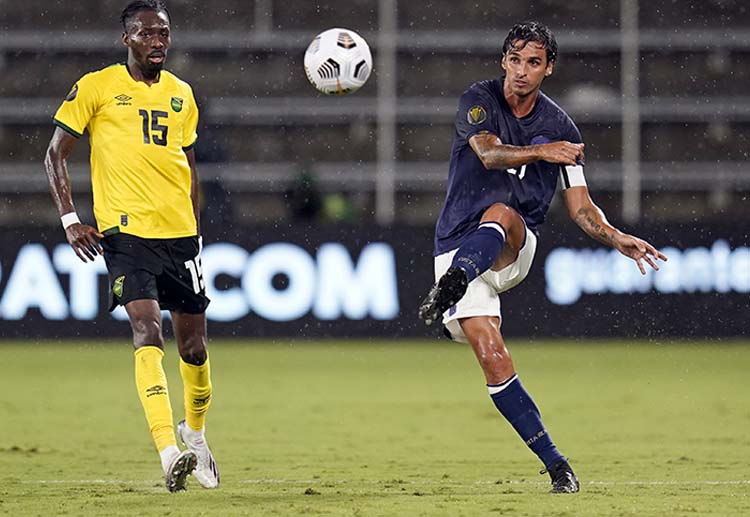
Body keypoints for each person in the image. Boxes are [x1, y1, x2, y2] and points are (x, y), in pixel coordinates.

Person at [418, 21, 667, 493]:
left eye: (533, 62)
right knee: (493, 358)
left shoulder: (560, 127)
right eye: (515, 59)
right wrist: (544, 152)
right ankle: (558, 466)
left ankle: (453, 283)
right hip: (456, 243)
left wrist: (616, 237)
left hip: (514, 245)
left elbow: (580, 207)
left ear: (548, 68)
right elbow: (490, 156)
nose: (521, 71)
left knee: (502, 212)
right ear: (503, 61)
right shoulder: (479, 100)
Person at [43, 0, 219, 493]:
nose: (158, 41)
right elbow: (55, 154)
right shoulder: (96, 86)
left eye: (163, 33)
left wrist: (197, 230)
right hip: (125, 234)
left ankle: (196, 436)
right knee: (147, 331)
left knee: (195, 348)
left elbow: (188, 166)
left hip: (180, 236)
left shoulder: (182, 95)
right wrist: (71, 220)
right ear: (127, 39)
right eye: (147, 34)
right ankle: (168, 452)